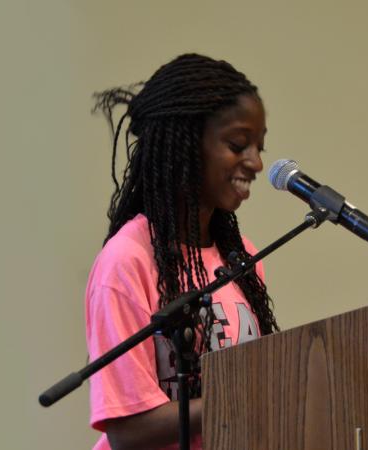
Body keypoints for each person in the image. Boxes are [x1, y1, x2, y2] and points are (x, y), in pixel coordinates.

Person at [85, 53, 280, 450]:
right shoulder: (128, 260)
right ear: (188, 144)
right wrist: (246, 401)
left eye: (259, 146)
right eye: (238, 144)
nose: (257, 163)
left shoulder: (243, 259)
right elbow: (126, 429)